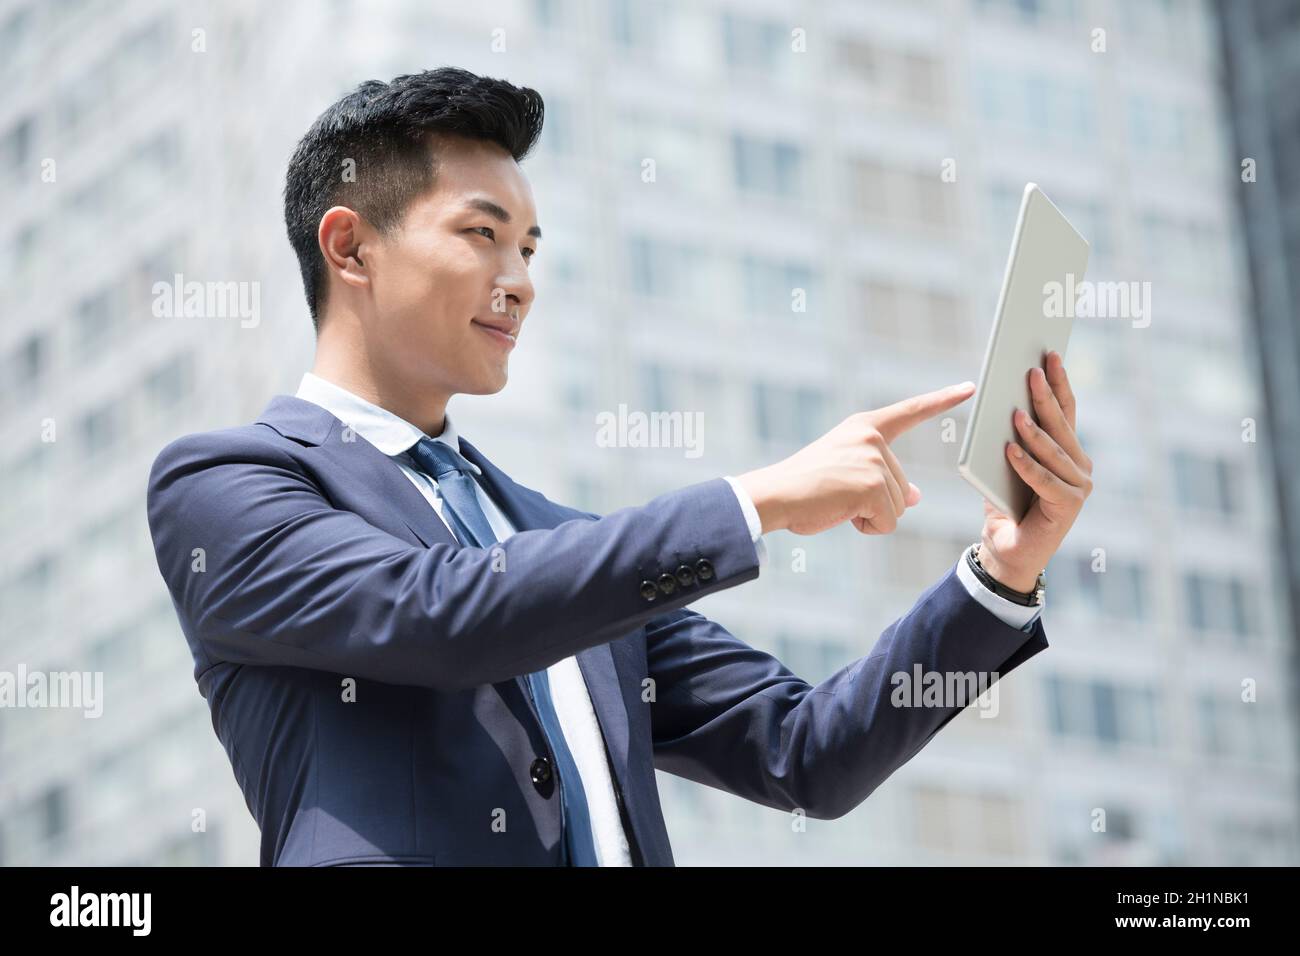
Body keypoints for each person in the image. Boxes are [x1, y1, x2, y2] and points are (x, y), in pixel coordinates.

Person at [145, 67, 1093, 866]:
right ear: (350, 245)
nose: (518, 280)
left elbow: (806, 754)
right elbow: (439, 614)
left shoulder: (562, 543)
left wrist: (1002, 572)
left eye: (528, 247)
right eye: (482, 235)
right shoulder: (226, 489)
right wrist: (755, 502)